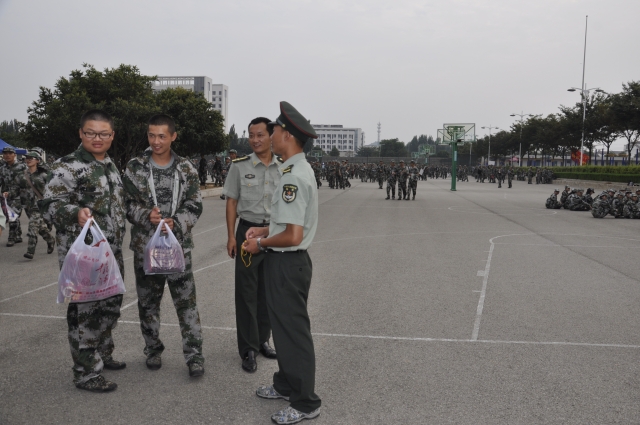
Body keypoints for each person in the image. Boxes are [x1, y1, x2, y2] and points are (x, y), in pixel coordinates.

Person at [243, 101, 321, 424]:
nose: (271, 136)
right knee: (284, 329)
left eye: (274, 130)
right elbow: (287, 225)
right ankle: (286, 384)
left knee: (293, 333)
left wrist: (260, 243)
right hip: (287, 263)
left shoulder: (293, 177)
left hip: (288, 264)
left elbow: (292, 235)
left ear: (286, 135)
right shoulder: (294, 169)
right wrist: (265, 229)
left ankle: (305, 402)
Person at [40, 109, 126, 392]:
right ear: (81, 133)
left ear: (112, 136)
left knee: (111, 304)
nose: (97, 138)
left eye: (103, 133)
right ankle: (86, 372)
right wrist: (74, 213)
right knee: (86, 312)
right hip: (84, 256)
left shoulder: (110, 165)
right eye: (90, 133)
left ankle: (102, 353)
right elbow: (49, 205)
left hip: (110, 252)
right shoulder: (67, 166)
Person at [122, 114, 205, 378]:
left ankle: (194, 355)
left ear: (173, 136)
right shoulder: (135, 167)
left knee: (186, 304)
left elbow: (195, 204)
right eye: (151, 135)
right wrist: (145, 214)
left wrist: (176, 222)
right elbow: (126, 204)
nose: (156, 141)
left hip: (178, 246)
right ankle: (153, 349)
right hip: (146, 247)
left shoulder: (186, 168)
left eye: (161, 136)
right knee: (148, 303)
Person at [222, 117, 280, 373]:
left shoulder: (284, 168)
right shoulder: (239, 166)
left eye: (260, 135)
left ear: (271, 137)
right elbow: (231, 202)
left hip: (275, 235)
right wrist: (231, 236)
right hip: (247, 232)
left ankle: (262, 340)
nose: (255, 140)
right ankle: (248, 348)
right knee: (246, 292)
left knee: (268, 291)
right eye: (251, 135)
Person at [18, 151, 55, 259]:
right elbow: (17, 188)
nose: (28, 160)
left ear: (38, 161)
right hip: (28, 206)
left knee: (32, 226)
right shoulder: (23, 175)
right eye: (27, 158)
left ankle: (30, 251)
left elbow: (52, 189)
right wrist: (9, 194)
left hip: (40, 205)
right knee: (40, 227)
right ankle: (50, 239)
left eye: (31, 158)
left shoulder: (44, 175)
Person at [1, 146, 26, 246]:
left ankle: (11, 237)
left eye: (10, 153)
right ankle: (18, 235)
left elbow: (26, 181)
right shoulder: (2, 168)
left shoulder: (22, 167)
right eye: (5, 153)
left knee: (12, 216)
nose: (7, 155)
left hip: (19, 195)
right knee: (13, 216)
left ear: (14, 155)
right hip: (6, 196)